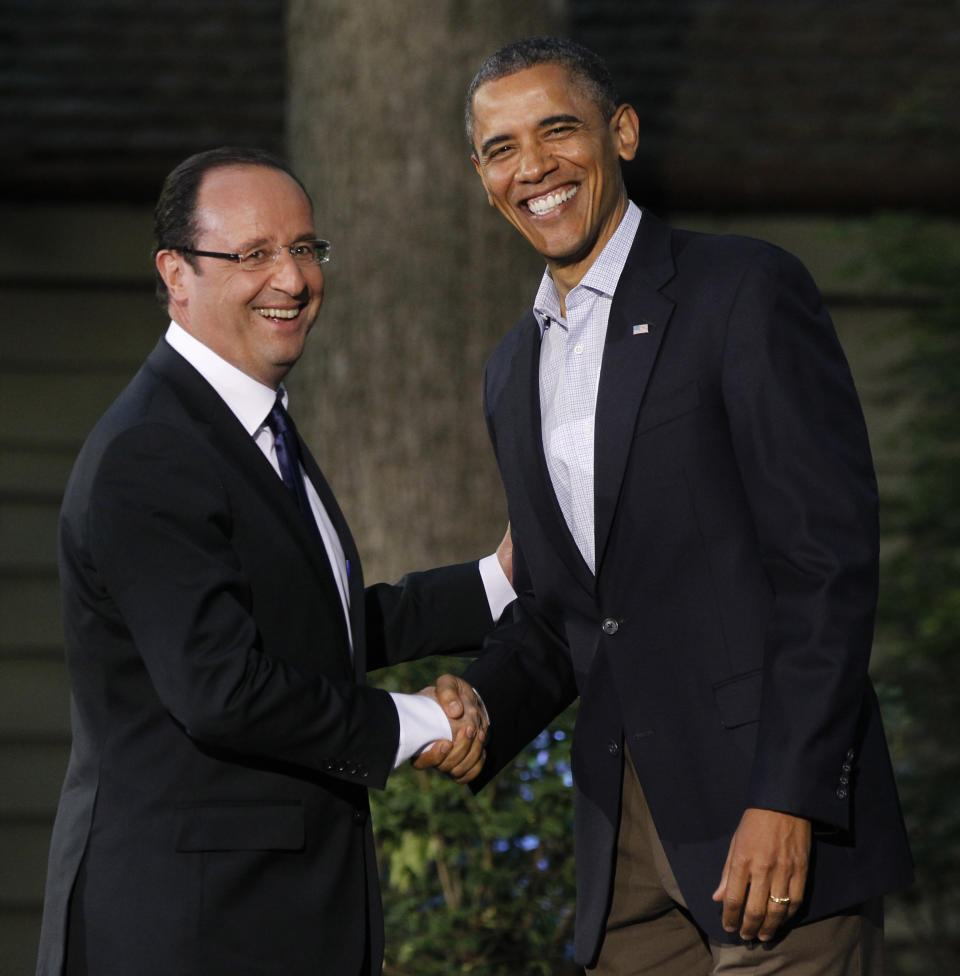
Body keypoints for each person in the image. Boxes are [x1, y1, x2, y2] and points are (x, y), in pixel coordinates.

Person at [422, 36, 913, 975]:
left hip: (766, 829)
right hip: (626, 846)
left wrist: (793, 798)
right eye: (502, 149)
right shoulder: (509, 370)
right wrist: (477, 704)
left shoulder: (743, 291)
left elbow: (825, 568)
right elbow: (572, 612)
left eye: (557, 131)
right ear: (483, 177)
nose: (534, 168)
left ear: (623, 133)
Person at [36, 146, 514, 976]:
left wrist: (496, 582)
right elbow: (221, 688)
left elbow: (303, 631)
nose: (290, 280)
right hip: (192, 929)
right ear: (175, 274)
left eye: (304, 248)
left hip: (268, 916)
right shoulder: (154, 449)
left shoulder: (250, 426)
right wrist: (423, 723)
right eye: (253, 254)